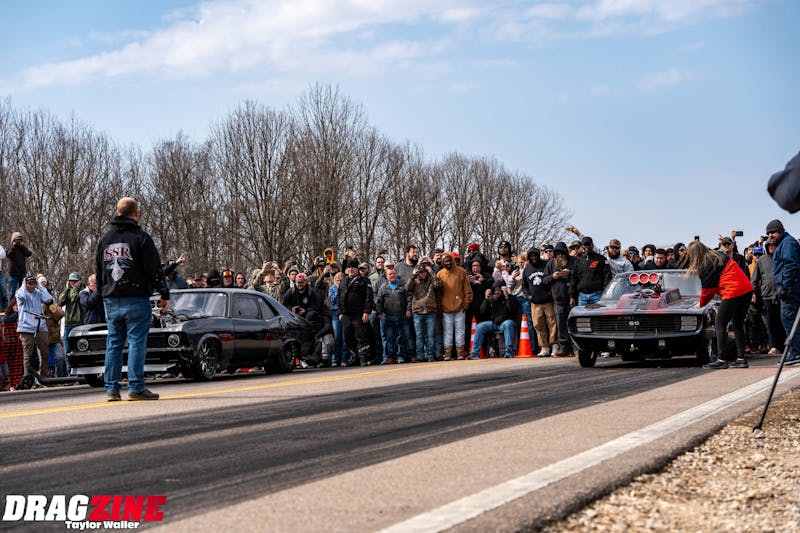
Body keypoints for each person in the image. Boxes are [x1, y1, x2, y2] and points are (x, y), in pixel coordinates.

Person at [96, 197, 169, 401]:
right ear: (136, 214)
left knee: (114, 343)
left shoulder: (104, 239)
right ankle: (135, 387)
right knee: (136, 342)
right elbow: (154, 269)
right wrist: (164, 294)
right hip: (136, 297)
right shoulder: (141, 238)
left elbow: (99, 270)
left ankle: (112, 389)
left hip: (111, 298)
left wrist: (102, 294)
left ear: (117, 213)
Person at [685, 241, 753, 369]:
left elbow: (708, 290)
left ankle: (722, 359)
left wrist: (700, 304)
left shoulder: (706, 263)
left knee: (720, 323)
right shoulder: (718, 255)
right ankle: (741, 359)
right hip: (746, 289)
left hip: (733, 291)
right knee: (738, 324)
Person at [767, 219, 800, 365]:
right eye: (768, 233)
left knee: (789, 320)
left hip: (790, 289)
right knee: (791, 320)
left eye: (773, 232)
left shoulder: (787, 243)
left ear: (780, 231)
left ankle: (796, 353)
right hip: (789, 288)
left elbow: (791, 265)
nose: (770, 235)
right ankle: (795, 352)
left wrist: (785, 287)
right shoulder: (784, 243)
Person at [15, 275, 54, 383]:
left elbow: (49, 299)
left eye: (33, 283)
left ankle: (43, 378)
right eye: (29, 284)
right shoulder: (20, 292)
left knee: (45, 353)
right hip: (26, 328)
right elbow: (22, 296)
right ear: (26, 284)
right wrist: (23, 285)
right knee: (28, 354)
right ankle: (27, 378)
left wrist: (40, 286)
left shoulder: (38, 292)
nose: (32, 286)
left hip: (40, 326)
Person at [469, 280, 518, 359]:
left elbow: (512, 310)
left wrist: (506, 296)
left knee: (508, 323)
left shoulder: (509, 297)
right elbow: (482, 311)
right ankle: (474, 353)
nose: (497, 292)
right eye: (495, 290)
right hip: (493, 323)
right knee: (480, 326)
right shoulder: (492, 299)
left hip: (504, 323)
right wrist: (486, 299)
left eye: (499, 290)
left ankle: (509, 352)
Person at [338, 258, 374, 366]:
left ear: (357, 269)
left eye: (353, 267)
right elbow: (339, 297)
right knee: (347, 336)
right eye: (349, 267)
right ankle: (354, 357)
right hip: (346, 314)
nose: (351, 269)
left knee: (361, 335)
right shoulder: (343, 281)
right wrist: (339, 312)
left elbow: (369, 297)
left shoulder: (364, 280)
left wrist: (367, 311)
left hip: (359, 313)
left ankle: (364, 358)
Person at [751, 240, 785, 355]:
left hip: (781, 294)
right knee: (770, 322)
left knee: (782, 320)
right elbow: (754, 279)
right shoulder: (761, 260)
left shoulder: (782, 258)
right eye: (769, 245)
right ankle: (774, 345)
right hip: (767, 295)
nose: (771, 247)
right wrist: (753, 293)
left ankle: (783, 345)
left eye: (773, 245)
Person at [437, 252, 472, 360]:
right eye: (445, 261)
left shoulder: (461, 272)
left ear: (453, 260)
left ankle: (460, 353)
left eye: (449, 261)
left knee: (460, 331)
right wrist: (439, 306)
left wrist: (466, 302)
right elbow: (438, 293)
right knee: (447, 332)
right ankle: (447, 353)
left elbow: (467, 289)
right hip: (445, 308)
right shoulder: (440, 274)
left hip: (460, 307)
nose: (447, 263)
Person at [523, 248, 557, 357]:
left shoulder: (546, 265)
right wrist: (528, 296)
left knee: (552, 323)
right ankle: (544, 347)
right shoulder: (527, 268)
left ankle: (554, 345)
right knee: (538, 325)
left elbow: (552, 280)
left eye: (535, 255)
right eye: (531, 256)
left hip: (548, 301)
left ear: (538, 255)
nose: (533, 258)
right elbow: (524, 285)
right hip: (535, 302)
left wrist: (550, 294)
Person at [543, 242, 575, 356]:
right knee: (561, 325)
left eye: (562, 253)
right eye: (557, 253)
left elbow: (580, 276)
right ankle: (564, 348)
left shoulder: (573, 261)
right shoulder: (551, 263)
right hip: (558, 300)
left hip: (572, 298)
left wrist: (570, 273)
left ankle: (576, 348)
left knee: (573, 324)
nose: (560, 255)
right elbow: (544, 280)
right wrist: (553, 276)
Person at [406, 262, 441, 362]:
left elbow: (438, 285)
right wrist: (413, 275)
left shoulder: (431, 279)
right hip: (418, 311)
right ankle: (420, 356)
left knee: (430, 335)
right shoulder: (414, 280)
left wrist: (432, 272)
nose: (423, 274)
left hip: (430, 310)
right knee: (419, 336)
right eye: (421, 272)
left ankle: (430, 355)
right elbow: (407, 288)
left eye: (424, 272)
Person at [375, 267, 411, 363]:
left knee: (401, 338)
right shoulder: (383, 287)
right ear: (386, 276)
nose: (392, 275)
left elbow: (409, 298)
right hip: (388, 317)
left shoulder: (403, 285)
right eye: (390, 274)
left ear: (396, 274)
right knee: (390, 338)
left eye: (393, 273)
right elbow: (378, 301)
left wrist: (408, 309)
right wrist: (379, 313)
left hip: (402, 316)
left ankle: (400, 356)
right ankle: (390, 356)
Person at [570, 236, 611, 306]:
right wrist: (572, 296)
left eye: (588, 244)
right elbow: (573, 279)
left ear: (592, 245)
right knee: (581, 313)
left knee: (597, 313)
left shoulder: (601, 259)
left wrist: (605, 294)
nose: (587, 247)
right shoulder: (578, 261)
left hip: (597, 295)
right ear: (582, 246)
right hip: (582, 296)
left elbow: (607, 277)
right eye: (585, 245)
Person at [58, 272, 84, 354]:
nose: (72, 282)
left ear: (79, 281)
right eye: (71, 281)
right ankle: (68, 361)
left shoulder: (83, 290)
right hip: (68, 322)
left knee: (79, 344)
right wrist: (66, 290)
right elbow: (60, 301)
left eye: (75, 281)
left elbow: (74, 298)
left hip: (79, 322)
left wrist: (75, 288)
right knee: (66, 343)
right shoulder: (68, 291)